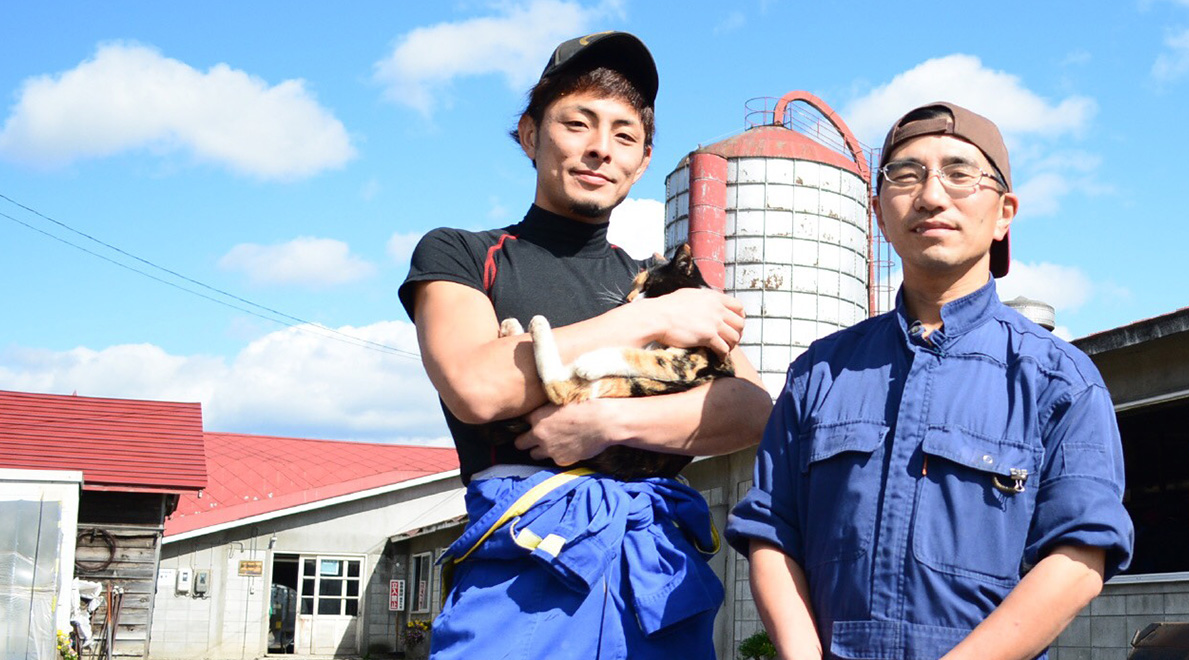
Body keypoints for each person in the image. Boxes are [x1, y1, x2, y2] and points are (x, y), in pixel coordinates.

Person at [399, 31, 770, 659]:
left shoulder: (666, 275)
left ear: (644, 160)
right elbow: (476, 385)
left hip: (657, 566)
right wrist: (647, 321)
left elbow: (753, 409)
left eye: (625, 135)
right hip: (524, 565)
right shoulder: (462, 254)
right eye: (578, 123)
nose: (600, 149)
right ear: (530, 134)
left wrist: (604, 421)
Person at [725, 102, 1134, 660]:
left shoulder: (1058, 380)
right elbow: (772, 531)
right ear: (878, 211)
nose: (932, 195)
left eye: (960, 174)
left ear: (1004, 212)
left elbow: (1081, 556)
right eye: (906, 174)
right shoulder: (820, 372)